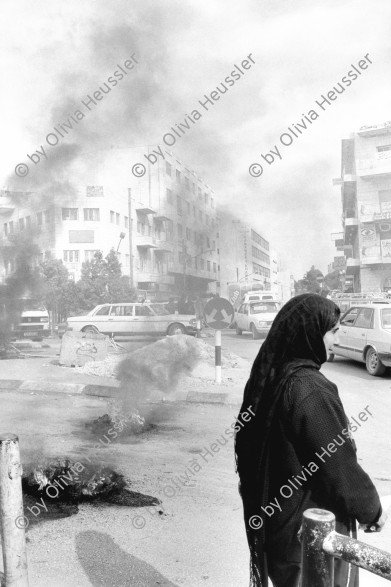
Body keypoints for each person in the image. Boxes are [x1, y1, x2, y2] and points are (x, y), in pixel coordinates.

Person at [234, 294, 386, 587]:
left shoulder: (275, 376)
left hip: (280, 528)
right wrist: (373, 510)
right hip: (308, 536)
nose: (337, 339)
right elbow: (338, 466)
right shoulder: (308, 388)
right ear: (310, 334)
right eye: (333, 331)